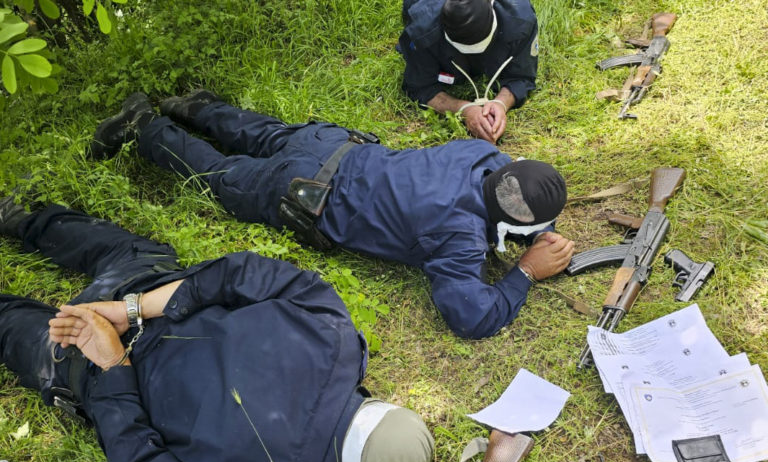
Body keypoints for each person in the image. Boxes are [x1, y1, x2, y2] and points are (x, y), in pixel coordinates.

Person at [0, 197, 434, 462]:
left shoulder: (336, 333)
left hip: (140, 286)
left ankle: (18, 216)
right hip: (83, 362)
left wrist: (134, 307)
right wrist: (115, 362)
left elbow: (242, 272)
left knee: (106, 244)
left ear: (383, 406)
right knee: (9, 327)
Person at [89, 91, 574, 340]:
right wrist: (526, 271)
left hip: (334, 145)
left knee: (265, 134)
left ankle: (194, 106)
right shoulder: (460, 237)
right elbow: (470, 317)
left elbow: (516, 188)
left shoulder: (481, 156)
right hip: (304, 193)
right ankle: (144, 126)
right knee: (219, 174)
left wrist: (537, 229)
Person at [398, 0, 539, 143]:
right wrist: (464, 109)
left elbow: (522, 76)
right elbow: (419, 86)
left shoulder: (521, 19)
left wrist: (501, 103)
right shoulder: (422, 29)